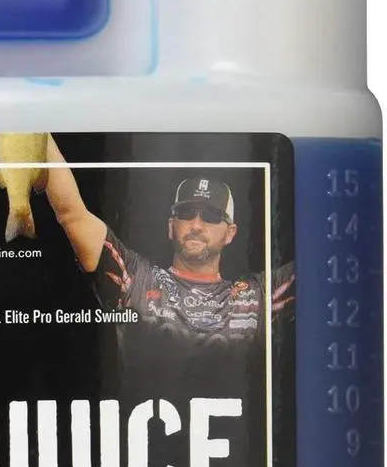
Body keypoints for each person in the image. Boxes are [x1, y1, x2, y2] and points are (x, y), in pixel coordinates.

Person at [45, 135, 294, 352]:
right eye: (186, 214)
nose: (196, 225)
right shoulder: (137, 280)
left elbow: (315, 262)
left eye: (211, 216)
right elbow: (71, 213)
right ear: (171, 226)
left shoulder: (257, 297)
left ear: (230, 233)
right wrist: (37, 135)